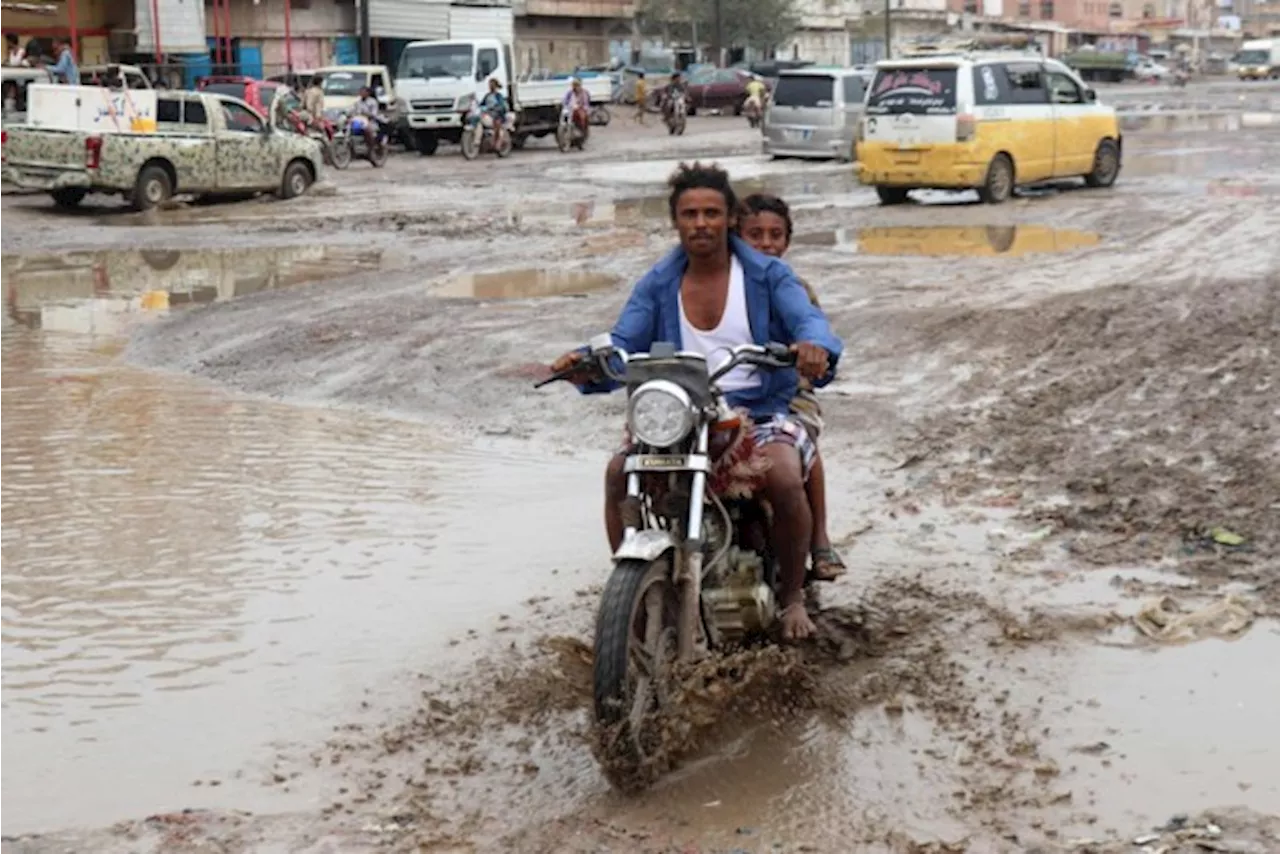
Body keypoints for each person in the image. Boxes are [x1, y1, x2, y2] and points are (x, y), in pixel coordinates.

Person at [549, 163, 843, 641]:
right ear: (676, 221)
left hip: (761, 410)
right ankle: (634, 597)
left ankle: (792, 597)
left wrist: (813, 347)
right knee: (617, 474)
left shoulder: (770, 276)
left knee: (786, 475)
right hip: (682, 412)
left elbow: (810, 322)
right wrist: (587, 361)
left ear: (729, 219)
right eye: (690, 214)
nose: (700, 222)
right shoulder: (658, 283)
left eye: (711, 212)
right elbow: (624, 339)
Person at [738, 193, 845, 582]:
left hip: (788, 393)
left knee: (800, 445)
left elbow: (813, 326)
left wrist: (811, 351)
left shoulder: (793, 287)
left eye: (775, 235)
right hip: (725, 393)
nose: (766, 243)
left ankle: (819, 538)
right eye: (755, 235)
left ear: (787, 241)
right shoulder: (717, 281)